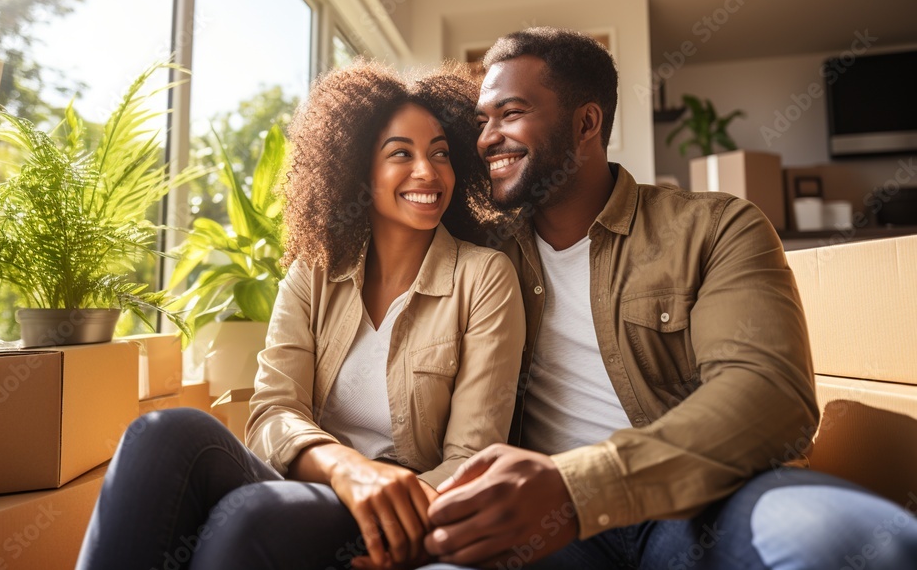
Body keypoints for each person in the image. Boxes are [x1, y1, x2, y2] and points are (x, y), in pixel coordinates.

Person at [418, 28, 917, 569]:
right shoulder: (479, 257)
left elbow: (770, 397)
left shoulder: (715, 227)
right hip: (544, 524)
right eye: (481, 121)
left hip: (702, 501)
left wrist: (578, 485)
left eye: (511, 113)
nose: (487, 138)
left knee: (858, 545)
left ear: (586, 123)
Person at [75, 61, 526, 570]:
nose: (427, 171)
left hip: (404, 506)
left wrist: (395, 510)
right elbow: (273, 412)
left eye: (440, 153)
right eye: (401, 153)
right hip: (314, 479)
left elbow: (470, 459)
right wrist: (345, 467)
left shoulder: (483, 277)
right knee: (160, 433)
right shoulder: (313, 273)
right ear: (358, 169)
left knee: (250, 516)